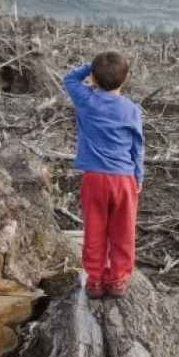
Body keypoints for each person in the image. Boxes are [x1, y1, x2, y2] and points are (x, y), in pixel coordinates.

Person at [63, 51, 144, 299]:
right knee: (123, 232)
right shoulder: (131, 109)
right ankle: (118, 280)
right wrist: (138, 178)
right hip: (123, 179)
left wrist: (92, 67)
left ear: (94, 79)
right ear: (126, 78)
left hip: (94, 179)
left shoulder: (85, 99)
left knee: (94, 231)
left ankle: (95, 281)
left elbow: (69, 79)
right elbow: (137, 147)